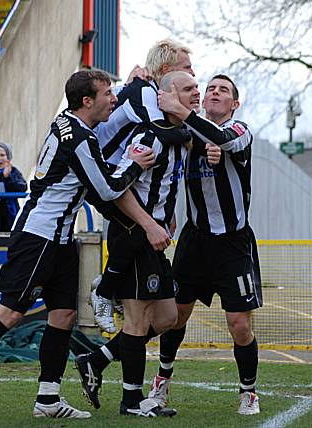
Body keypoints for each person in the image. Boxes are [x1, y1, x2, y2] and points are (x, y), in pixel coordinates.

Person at [0, 70, 155, 422]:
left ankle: (48, 399)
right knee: (10, 313)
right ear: (87, 101)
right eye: (108, 93)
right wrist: (135, 165)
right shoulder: (79, 139)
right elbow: (107, 190)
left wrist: (132, 83)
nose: (113, 100)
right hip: (39, 236)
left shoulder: (68, 122)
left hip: (61, 238)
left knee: (64, 315)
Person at [75, 71, 222, 417]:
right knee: (138, 321)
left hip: (154, 235)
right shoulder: (149, 136)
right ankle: (132, 401)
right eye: (189, 89)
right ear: (168, 94)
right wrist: (148, 224)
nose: (197, 94)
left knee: (169, 316)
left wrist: (165, 217)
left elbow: (198, 141)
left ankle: (96, 360)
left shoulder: (180, 134)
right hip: (134, 234)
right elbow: (118, 189)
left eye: (197, 88)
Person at [90, 39, 246, 332]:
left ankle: (111, 283)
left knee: (145, 228)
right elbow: (165, 131)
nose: (194, 76)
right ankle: (106, 287)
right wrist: (196, 138)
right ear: (166, 70)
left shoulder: (147, 89)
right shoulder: (145, 93)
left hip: (115, 171)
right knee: (138, 223)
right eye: (187, 69)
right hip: (99, 170)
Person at [138, 74, 262, 416]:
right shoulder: (187, 136)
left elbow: (222, 138)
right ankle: (161, 380)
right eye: (210, 89)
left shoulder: (239, 130)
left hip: (233, 242)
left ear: (234, 104)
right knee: (174, 317)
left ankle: (248, 391)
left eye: (224, 90)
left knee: (239, 325)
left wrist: (183, 112)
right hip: (194, 241)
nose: (215, 92)